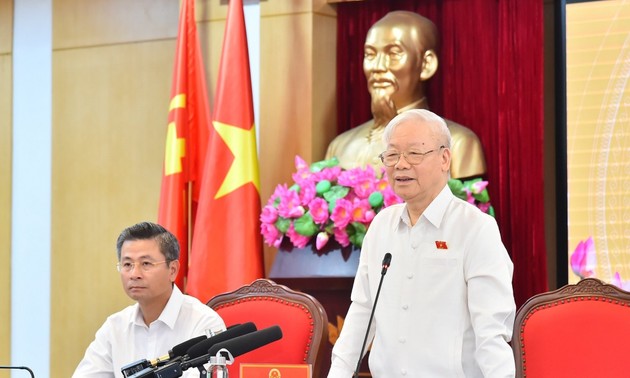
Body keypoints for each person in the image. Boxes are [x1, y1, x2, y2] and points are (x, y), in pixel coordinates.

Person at [327, 109, 515, 377]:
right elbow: (361, 314)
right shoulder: (381, 227)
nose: (401, 165)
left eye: (414, 153)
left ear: (444, 158)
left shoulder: (475, 229)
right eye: (392, 155)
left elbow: (491, 334)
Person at [326, 10, 486, 180]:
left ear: (426, 65)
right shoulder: (340, 146)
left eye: (394, 53)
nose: (378, 66)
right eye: (370, 54)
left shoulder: (458, 144)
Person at [73, 221, 226, 377]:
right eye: (127, 264)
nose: (134, 274)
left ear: (172, 270)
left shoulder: (205, 324)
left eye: (146, 263)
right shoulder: (115, 326)